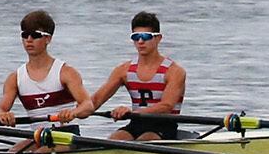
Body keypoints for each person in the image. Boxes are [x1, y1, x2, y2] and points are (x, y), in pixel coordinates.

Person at [80, 11, 188, 140]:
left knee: (146, 139)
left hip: (164, 125)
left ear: (158, 38)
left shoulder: (175, 71)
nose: (140, 41)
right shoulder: (123, 70)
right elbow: (96, 100)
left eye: (146, 36)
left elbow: (166, 106)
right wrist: (74, 112)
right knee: (116, 138)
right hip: (136, 123)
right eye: (136, 37)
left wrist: (131, 113)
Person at [0, 9, 90, 153]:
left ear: (48, 39)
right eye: (25, 35)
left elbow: (88, 105)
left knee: (39, 153)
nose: (29, 40)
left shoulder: (66, 72)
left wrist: (73, 112)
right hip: (38, 136)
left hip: (66, 135)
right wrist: (2, 115)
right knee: (12, 153)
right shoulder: (15, 78)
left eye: (35, 35)